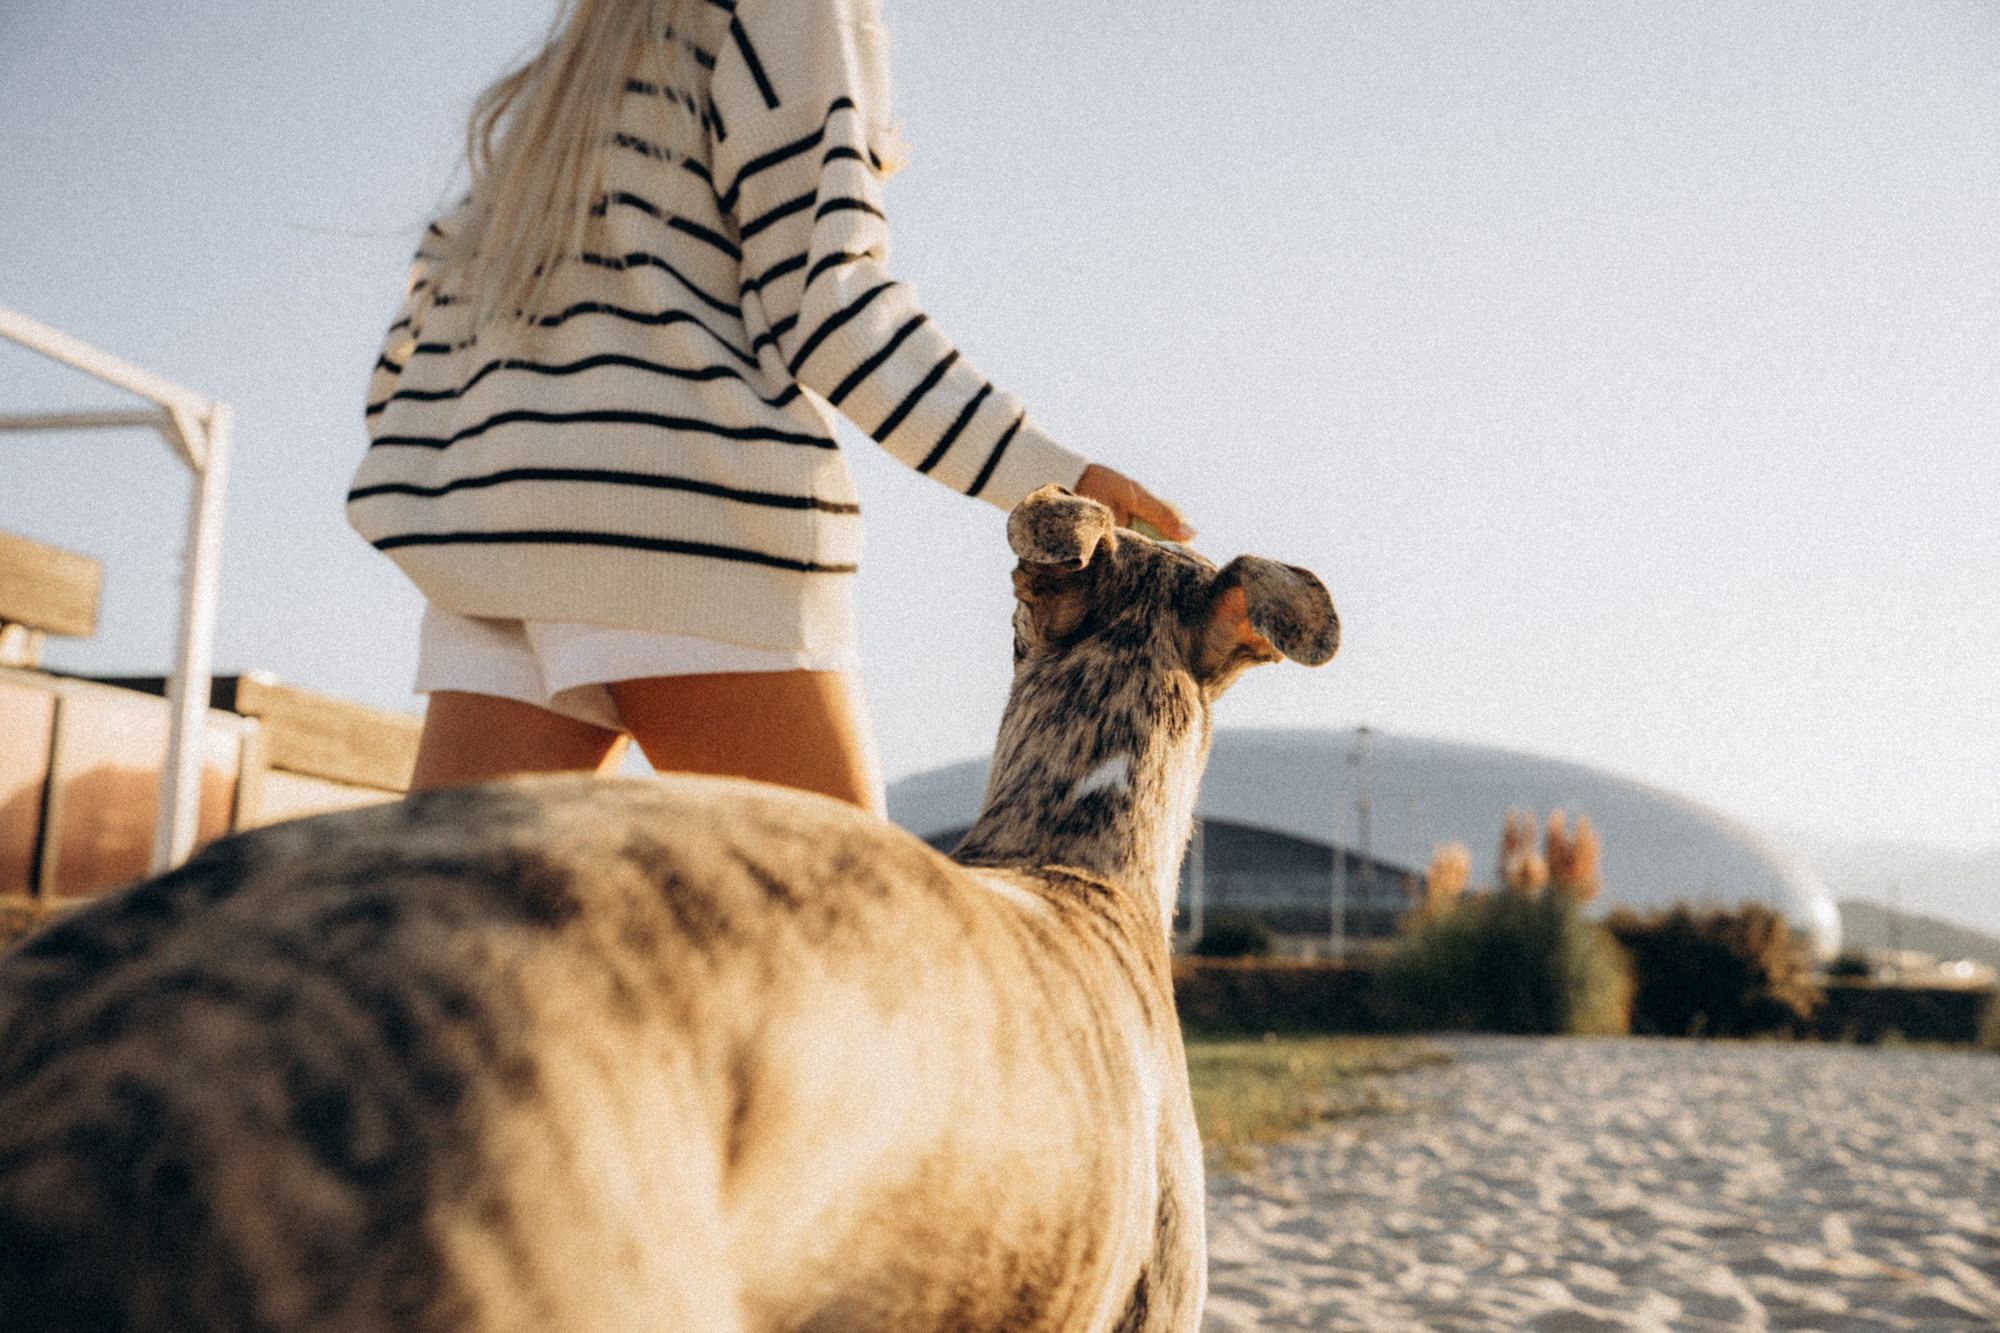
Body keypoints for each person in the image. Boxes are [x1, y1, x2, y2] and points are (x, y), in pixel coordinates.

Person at [348, 0, 1192, 814]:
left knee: (443, 917)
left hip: (495, 554)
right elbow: (828, 306)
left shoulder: (582, 56)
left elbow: (420, 328)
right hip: (692, 533)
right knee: (857, 907)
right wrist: (1056, 476)